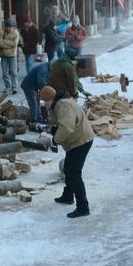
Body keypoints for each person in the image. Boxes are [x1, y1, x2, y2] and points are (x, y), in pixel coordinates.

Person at [43, 85, 94, 218]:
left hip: (80, 141)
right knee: (68, 168)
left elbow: (67, 127)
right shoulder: (60, 103)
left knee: (74, 173)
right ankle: (68, 196)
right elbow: (59, 121)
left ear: (49, 100)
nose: (45, 105)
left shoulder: (63, 105)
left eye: (45, 102)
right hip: (77, 140)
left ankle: (83, 207)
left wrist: (55, 140)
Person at [0, 18, 22, 95]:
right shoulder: (2, 33)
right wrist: (8, 44)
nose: (8, 28)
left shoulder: (16, 33)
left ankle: (15, 87)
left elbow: (14, 44)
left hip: (12, 56)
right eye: (7, 27)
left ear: (12, 27)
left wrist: (4, 43)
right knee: (5, 73)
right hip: (3, 56)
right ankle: (8, 86)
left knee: (14, 72)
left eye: (10, 27)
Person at [20, 61, 50, 125]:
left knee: (37, 101)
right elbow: (41, 82)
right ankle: (34, 121)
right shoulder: (43, 70)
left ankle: (39, 118)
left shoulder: (47, 67)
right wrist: (45, 90)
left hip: (34, 86)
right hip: (28, 86)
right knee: (33, 103)